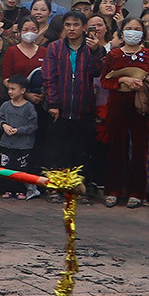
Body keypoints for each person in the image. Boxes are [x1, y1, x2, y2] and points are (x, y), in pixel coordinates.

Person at [100, 20, 149, 208]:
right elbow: (105, 80)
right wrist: (123, 79)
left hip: (141, 106)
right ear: (121, 33)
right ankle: (113, 190)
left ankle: (137, 192)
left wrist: (143, 85)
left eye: (137, 29)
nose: (133, 32)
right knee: (116, 147)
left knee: (140, 148)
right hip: (117, 105)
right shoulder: (113, 55)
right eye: (129, 29)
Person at [40, 12, 104, 198]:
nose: (71, 29)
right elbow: (49, 77)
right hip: (59, 109)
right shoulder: (55, 48)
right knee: (57, 150)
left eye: (76, 25)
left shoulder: (92, 48)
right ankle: (54, 187)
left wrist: (96, 51)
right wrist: (53, 103)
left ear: (84, 27)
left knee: (81, 151)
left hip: (84, 108)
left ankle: (76, 189)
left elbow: (97, 72)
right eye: (67, 25)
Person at [0, 75, 40, 198]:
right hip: (6, 143)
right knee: (5, 167)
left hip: (23, 145)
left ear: (23, 90)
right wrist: (4, 125)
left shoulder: (29, 107)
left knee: (21, 168)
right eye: (9, 89)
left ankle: (21, 190)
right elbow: (0, 118)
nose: (10, 91)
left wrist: (19, 130)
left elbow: (33, 125)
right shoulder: (5, 105)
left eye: (13, 89)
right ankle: (6, 189)